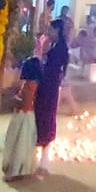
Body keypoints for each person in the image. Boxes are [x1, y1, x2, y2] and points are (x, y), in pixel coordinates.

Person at [1, 30, 45, 181]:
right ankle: (20, 170)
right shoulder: (32, 82)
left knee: (18, 144)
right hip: (26, 115)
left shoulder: (30, 84)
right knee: (22, 144)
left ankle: (15, 171)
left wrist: (14, 99)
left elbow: (25, 103)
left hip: (23, 116)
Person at [33, 15, 68, 174]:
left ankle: (43, 162)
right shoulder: (57, 46)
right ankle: (41, 160)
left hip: (49, 87)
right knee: (43, 118)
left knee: (45, 117)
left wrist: (41, 52)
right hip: (48, 86)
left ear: (57, 30)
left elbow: (51, 69)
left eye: (51, 29)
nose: (48, 32)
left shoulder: (59, 48)